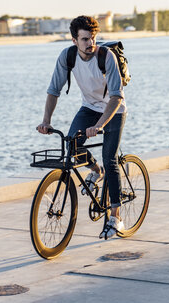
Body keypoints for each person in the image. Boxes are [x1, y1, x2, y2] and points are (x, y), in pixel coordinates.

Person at [36, 15, 128, 240]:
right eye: (85, 39)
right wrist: (46, 120)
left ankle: (116, 217)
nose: (90, 43)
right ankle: (97, 172)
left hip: (113, 111)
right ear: (74, 40)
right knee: (72, 146)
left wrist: (98, 126)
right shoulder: (67, 56)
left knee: (110, 158)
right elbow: (53, 90)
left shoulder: (106, 58)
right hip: (89, 108)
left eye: (93, 38)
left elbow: (116, 97)